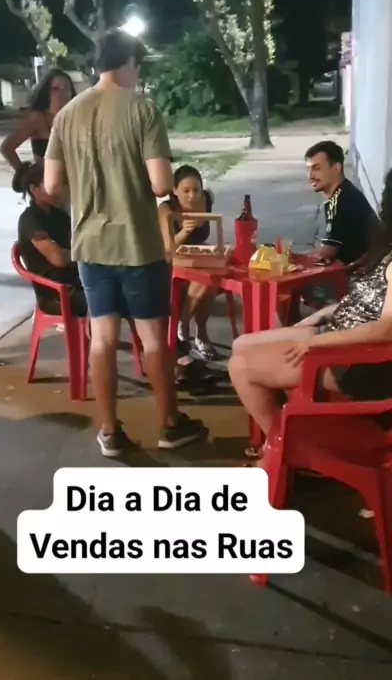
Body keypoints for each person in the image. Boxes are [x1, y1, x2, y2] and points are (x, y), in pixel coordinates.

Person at [43, 28, 207, 457]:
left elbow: (52, 186)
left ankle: (109, 432)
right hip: (137, 244)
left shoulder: (67, 115)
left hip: (90, 246)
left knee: (101, 338)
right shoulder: (142, 110)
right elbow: (161, 184)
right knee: (153, 338)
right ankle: (170, 424)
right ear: (130, 62)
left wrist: (87, 195)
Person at [228, 168, 392, 465]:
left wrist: (315, 343)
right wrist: (322, 316)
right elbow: (368, 301)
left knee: (239, 367)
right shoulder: (386, 247)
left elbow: (385, 330)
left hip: (356, 358)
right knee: (241, 344)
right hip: (339, 332)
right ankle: (281, 440)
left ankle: (282, 449)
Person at [158, 164, 218, 359]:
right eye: (186, 191)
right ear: (175, 190)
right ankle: (185, 326)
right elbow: (167, 248)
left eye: (196, 190)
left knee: (211, 279)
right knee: (205, 280)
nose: (192, 196)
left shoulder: (206, 199)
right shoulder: (166, 209)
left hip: (198, 257)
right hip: (171, 262)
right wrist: (185, 231)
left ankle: (196, 331)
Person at [15, 162, 86, 317]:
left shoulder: (58, 215)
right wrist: (81, 253)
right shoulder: (30, 220)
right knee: (108, 303)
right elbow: (58, 258)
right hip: (56, 293)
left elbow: (81, 243)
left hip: (76, 280)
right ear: (34, 189)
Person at [305, 140, 377, 266]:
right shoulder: (343, 191)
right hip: (361, 265)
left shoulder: (343, 200)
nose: (310, 176)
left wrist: (290, 257)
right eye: (308, 169)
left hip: (365, 271)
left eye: (317, 168)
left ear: (336, 168)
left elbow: (326, 253)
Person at [0, 68, 75, 171]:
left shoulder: (75, 117)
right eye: (55, 89)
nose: (63, 93)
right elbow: (6, 148)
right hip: (46, 178)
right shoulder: (37, 118)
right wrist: (24, 174)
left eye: (66, 88)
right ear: (46, 92)